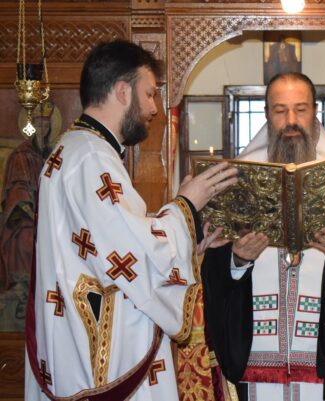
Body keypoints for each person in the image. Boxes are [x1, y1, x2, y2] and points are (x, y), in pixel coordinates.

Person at [24, 40, 238, 400]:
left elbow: (110, 243)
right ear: (123, 92)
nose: (154, 107)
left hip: (77, 343)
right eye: (149, 94)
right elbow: (134, 253)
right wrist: (187, 204)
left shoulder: (76, 150)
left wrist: (189, 241)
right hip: (100, 356)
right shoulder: (91, 157)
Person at [200, 72, 325, 401]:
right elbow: (212, 269)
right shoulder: (232, 182)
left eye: (300, 109)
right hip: (254, 359)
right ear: (266, 114)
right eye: (280, 110)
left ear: (314, 111)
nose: (291, 120)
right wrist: (237, 260)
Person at [0, 100, 57, 329]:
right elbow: (17, 191)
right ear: (32, 127)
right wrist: (31, 212)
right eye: (39, 125)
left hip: (49, 215)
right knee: (26, 239)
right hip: (22, 217)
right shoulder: (21, 155)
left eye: (46, 125)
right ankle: (23, 291)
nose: (42, 129)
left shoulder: (52, 154)